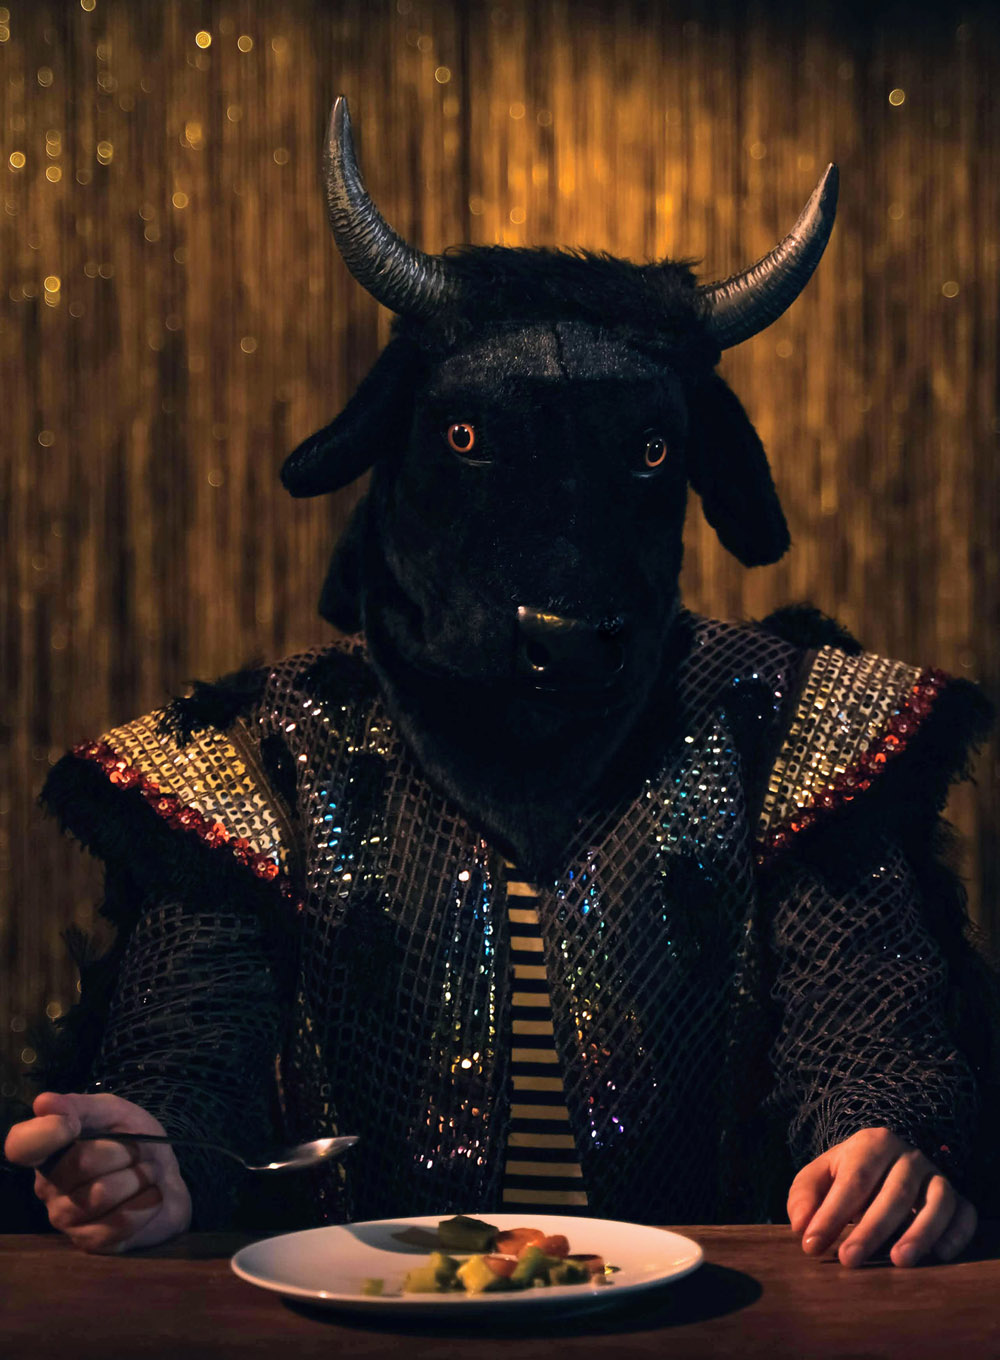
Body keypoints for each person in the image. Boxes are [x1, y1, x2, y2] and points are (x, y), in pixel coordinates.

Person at [4, 99, 997, 1265]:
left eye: (643, 454)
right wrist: (154, 1151)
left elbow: (863, 1011)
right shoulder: (269, 753)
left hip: (711, 1318)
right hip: (359, 1321)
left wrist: (889, 1133)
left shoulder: (781, 724)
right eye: (472, 442)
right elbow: (194, 1038)